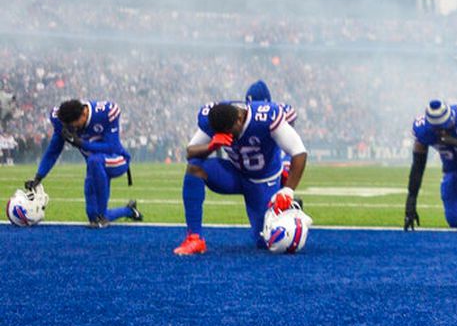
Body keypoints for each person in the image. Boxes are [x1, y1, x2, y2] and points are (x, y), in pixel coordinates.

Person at [173, 99, 308, 255]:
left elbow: (299, 152)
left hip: (263, 181)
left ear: (239, 118)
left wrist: (289, 190)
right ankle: (194, 238)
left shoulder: (264, 117)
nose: (229, 137)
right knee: (195, 166)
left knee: (266, 242)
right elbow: (190, 152)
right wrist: (211, 145)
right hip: (234, 174)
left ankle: (286, 199)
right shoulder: (214, 117)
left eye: (230, 132)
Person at [26, 99, 142, 227]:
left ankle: (102, 217)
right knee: (93, 215)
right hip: (95, 167)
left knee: (94, 161)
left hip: (117, 159)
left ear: (83, 115)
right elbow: (53, 150)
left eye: (73, 126)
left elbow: (112, 147)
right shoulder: (62, 121)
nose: (71, 129)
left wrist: (83, 144)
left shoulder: (105, 113)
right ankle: (129, 210)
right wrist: (38, 177)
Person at [404, 99, 457, 231]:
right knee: (455, 220)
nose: (443, 131)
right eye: (438, 129)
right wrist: (411, 199)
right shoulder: (423, 130)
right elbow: (418, 165)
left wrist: (454, 141)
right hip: (451, 171)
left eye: (445, 126)